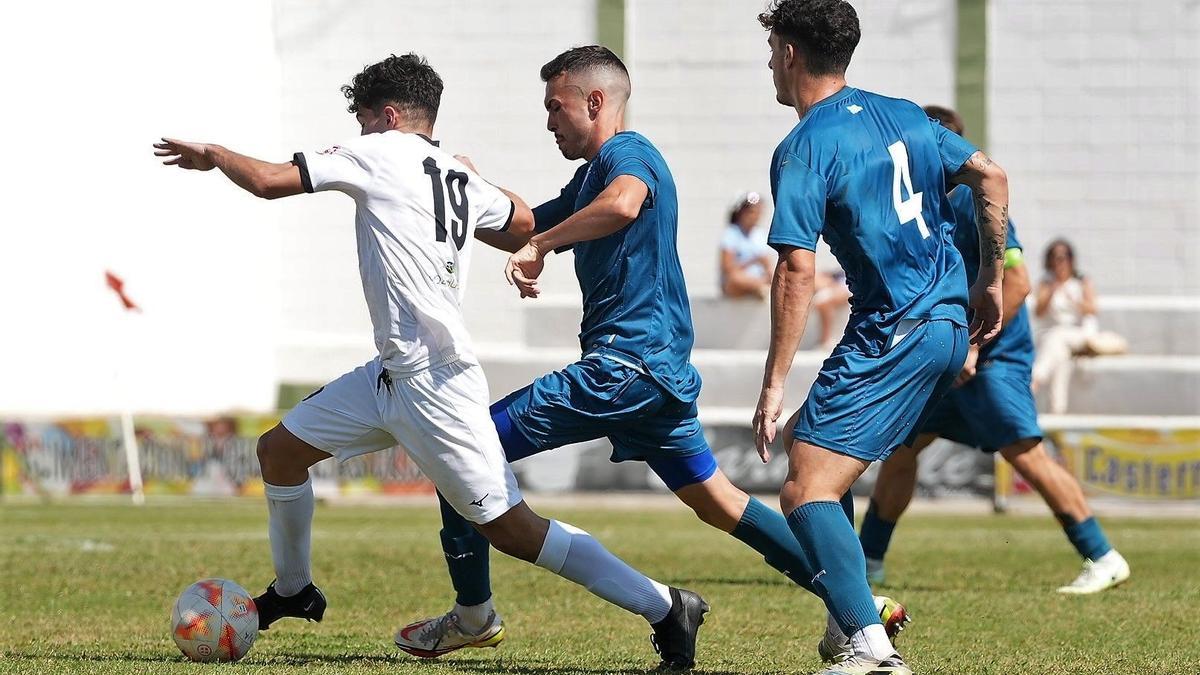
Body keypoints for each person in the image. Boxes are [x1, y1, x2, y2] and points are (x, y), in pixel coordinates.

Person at [153, 53, 705, 670]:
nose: (358, 135)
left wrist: (217, 154)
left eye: (363, 121)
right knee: (279, 453)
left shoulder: (380, 151)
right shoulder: (450, 171)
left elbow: (269, 180)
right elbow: (521, 221)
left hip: (436, 385)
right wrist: (482, 185)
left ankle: (665, 605)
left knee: (514, 530)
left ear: (388, 117)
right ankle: (293, 591)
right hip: (388, 375)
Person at [394, 45, 909, 670]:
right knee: (721, 503)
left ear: (595, 102)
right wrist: (462, 186)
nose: (549, 122)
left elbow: (624, 203)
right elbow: (521, 225)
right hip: (654, 377)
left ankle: (473, 615)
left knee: (465, 451)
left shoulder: (627, 154)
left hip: (624, 367)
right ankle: (859, 606)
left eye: (556, 108)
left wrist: (544, 247)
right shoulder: (590, 177)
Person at [750, 2, 1009, 673]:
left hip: (894, 327)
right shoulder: (905, 115)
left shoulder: (805, 145)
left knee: (805, 489)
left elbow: (796, 267)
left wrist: (773, 382)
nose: (770, 62)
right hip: (946, 325)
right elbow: (992, 175)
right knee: (809, 454)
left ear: (788, 54)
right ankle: (850, 620)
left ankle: (871, 648)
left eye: (771, 47)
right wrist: (989, 278)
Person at [858, 106, 1131, 599]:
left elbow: (1020, 282)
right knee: (900, 450)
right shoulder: (916, 203)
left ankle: (1104, 557)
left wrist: (973, 346)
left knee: (1026, 456)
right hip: (951, 355)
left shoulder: (973, 197)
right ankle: (867, 563)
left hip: (994, 356)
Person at [1032, 239, 1099, 413]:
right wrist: (1052, 289)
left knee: (1057, 337)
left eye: (1064, 257)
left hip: (1078, 333)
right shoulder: (1045, 283)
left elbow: (1092, 309)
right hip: (1054, 337)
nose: (1059, 262)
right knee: (1061, 360)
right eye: (1055, 257)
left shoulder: (1082, 282)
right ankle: (1057, 412)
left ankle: (1036, 378)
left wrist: (1075, 301)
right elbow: (1038, 312)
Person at [719, 191, 774, 299]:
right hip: (737, 282)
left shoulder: (759, 234)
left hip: (759, 278)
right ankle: (759, 288)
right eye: (751, 212)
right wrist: (754, 260)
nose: (756, 216)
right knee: (735, 278)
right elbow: (728, 269)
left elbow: (767, 263)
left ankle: (761, 288)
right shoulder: (731, 234)